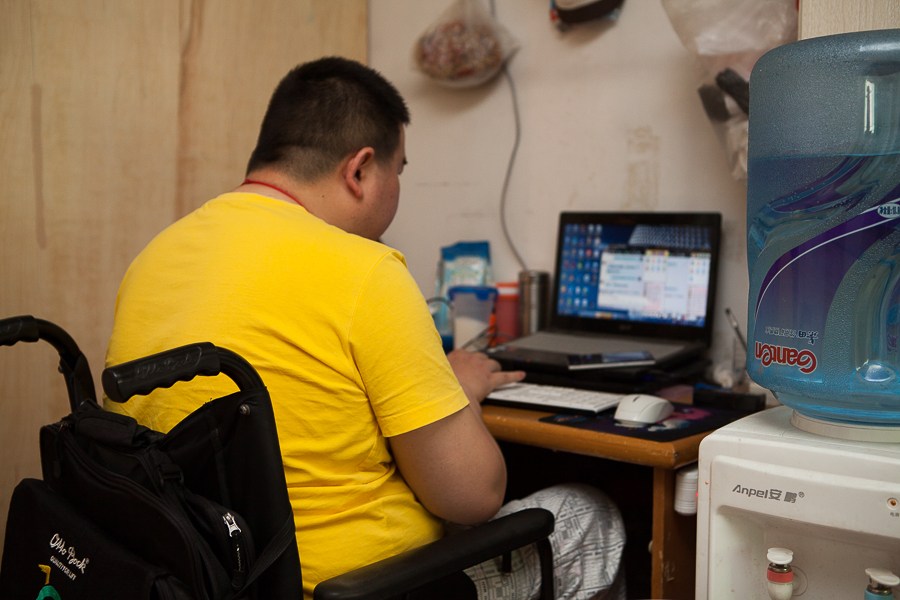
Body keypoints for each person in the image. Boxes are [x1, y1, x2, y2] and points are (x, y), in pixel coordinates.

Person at [105, 56, 625, 599]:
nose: (398, 189)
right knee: (591, 513)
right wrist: (461, 389)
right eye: (399, 171)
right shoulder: (364, 270)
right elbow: (474, 498)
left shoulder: (153, 260)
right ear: (359, 171)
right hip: (366, 588)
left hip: (209, 578)